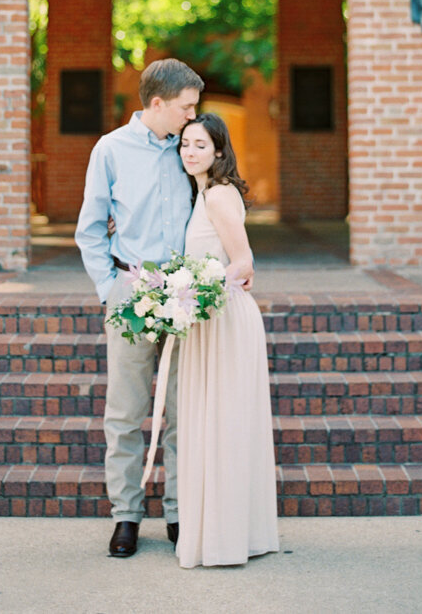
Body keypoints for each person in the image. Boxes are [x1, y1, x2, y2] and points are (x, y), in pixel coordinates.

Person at [75, 58, 204, 559]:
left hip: (185, 293)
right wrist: (110, 290)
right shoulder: (110, 150)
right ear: (157, 103)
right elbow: (91, 227)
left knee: (181, 411)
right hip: (130, 289)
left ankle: (177, 514)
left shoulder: (192, 148)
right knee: (126, 412)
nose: (192, 115)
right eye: (185, 106)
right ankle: (126, 515)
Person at [175, 112, 279, 568]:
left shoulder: (218, 195)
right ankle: (228, 534)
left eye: (200, 145)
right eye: (184, 144)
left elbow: (244, 262)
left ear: (219, 151)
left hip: (223, 319)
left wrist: (190, 298)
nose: (190, 152)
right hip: (208, 317)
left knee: (224, 425)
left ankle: (226, 539)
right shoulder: (204, 194)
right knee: (214, 425)